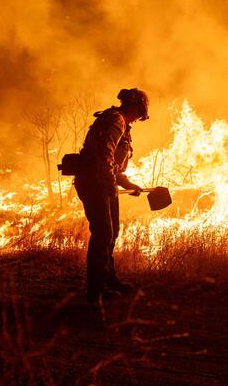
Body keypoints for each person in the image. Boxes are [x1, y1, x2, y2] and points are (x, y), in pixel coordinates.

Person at [74, 88, 149, 303]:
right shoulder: (116, 120)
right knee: (103, 233)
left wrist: (126, 183)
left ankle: (108, 278)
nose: (139, 118)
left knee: (112, 231)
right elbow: (105, 154)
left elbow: (113, 164)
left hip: (102, 182)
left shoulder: (119, 121)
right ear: (135, 107)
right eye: (140, 112)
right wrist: (109, 183)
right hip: (94, 184)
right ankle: (96, 290)